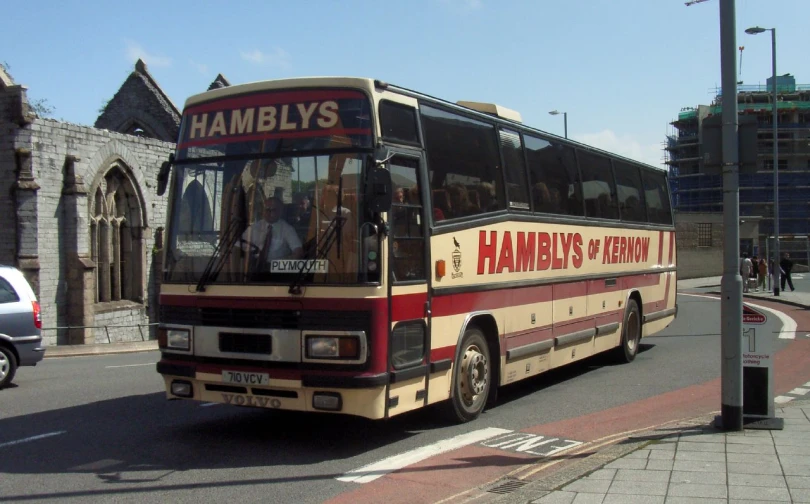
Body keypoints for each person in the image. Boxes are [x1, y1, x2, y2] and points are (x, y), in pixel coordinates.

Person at [241, 197, 302, 270]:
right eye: (267, 209)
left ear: (280, 211)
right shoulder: (254, 227)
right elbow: (238, 247)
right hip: (254, 268)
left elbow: (298, 251)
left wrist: (283, 267)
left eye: (273, 210)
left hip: (277, 271)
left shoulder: (287, 229)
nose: (270, 213)